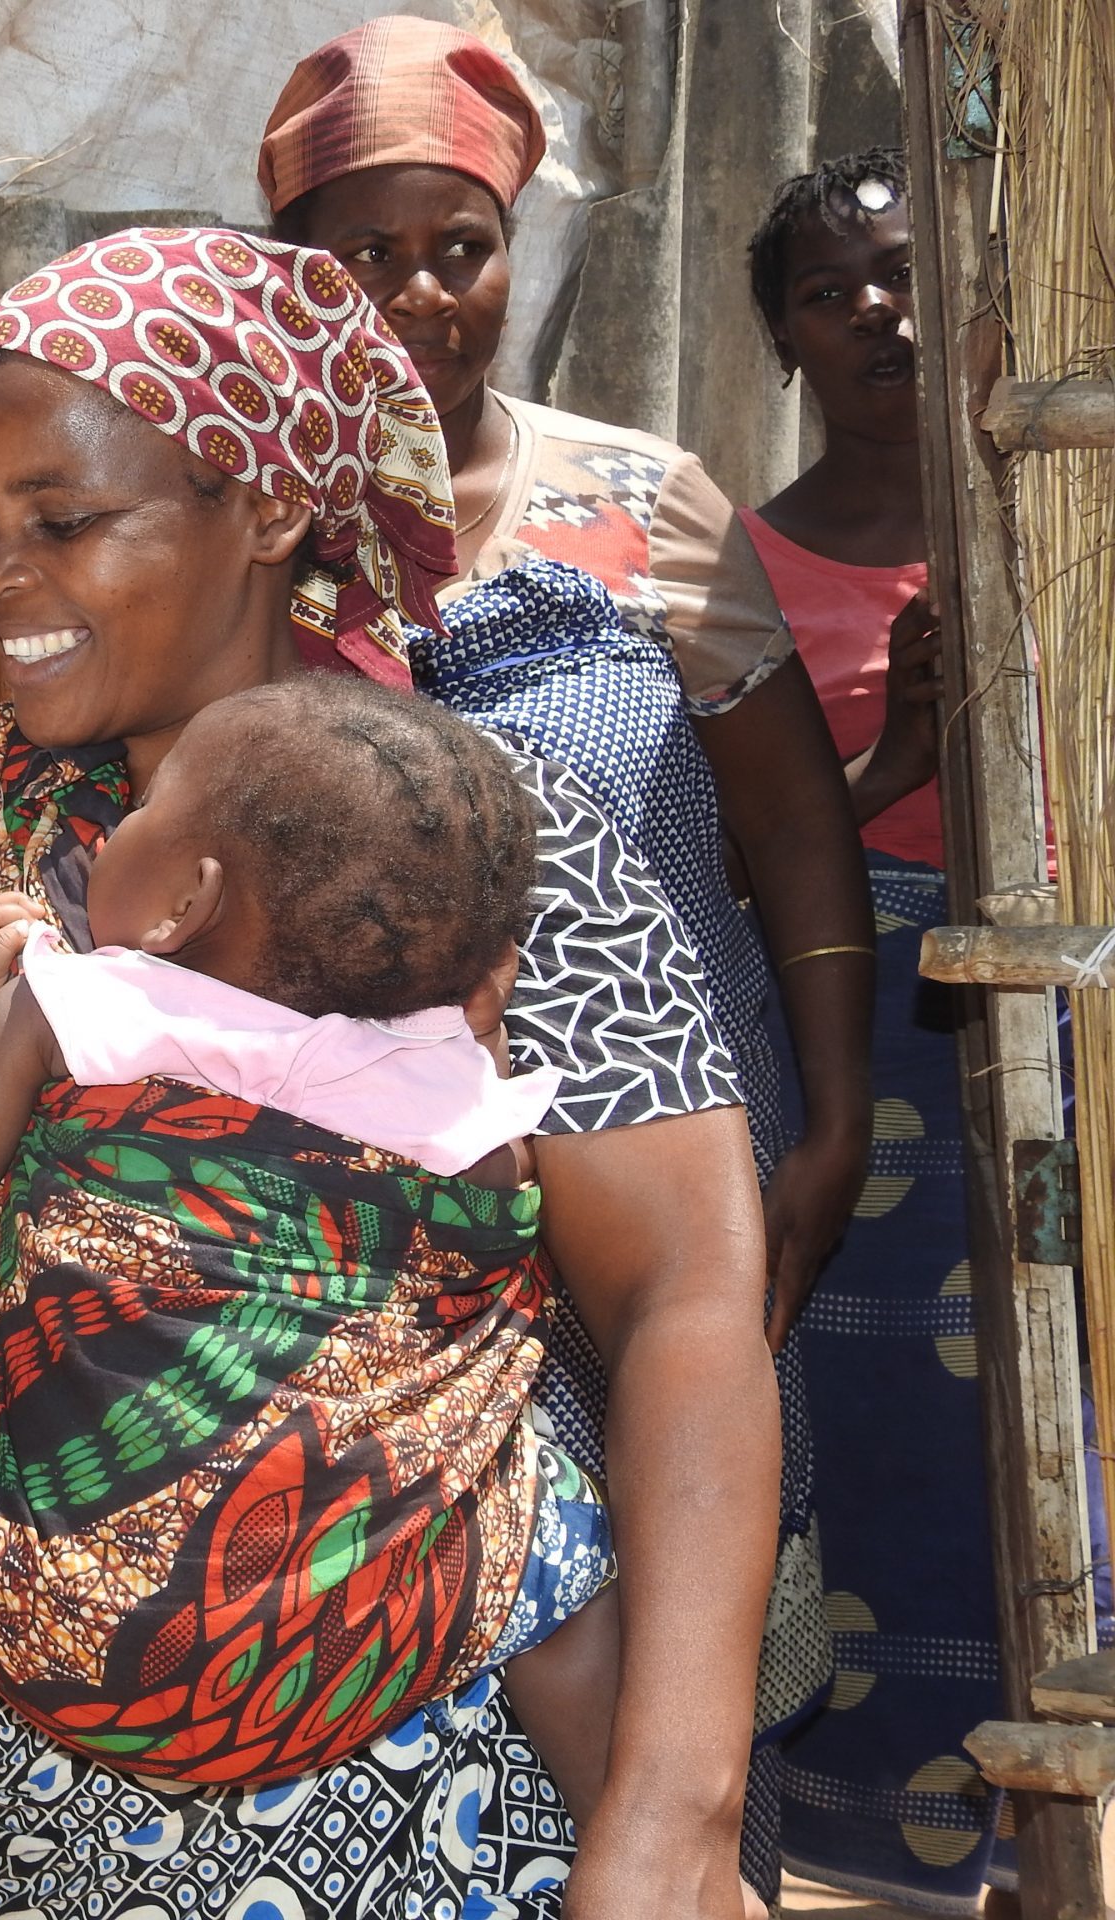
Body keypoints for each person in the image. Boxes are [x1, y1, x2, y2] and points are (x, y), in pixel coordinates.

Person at [0, 225, 778, 1919]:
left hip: (408, 1742)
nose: (3, 581)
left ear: (268, 509)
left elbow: (689, 1296)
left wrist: (673, 1817)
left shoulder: (466, 843)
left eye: (66, 525)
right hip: (55, 1748)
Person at [258, 21, 878, 1891]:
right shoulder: (245, 527)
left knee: (695, 1595)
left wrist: (834, 1118)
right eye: (360, 253)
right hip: (411, 1219)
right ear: (295, 267)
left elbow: (790, 827)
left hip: (676, 1166)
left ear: (514, 250)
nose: (416, 298)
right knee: (465, 1618)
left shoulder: (644, 503)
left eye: (459, 246)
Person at [0, 678, 641, 1827]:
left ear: (182, 902)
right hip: (343, 1643)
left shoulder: (80, 1010)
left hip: (70, 1623)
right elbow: (485, 1260)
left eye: (142, 817)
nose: (115, 833)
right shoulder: (459, 1095)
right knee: (539, 1510)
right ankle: (628, 1819)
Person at [741, 149, 1007, 1910]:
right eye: (831, 292)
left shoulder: (1054, 506)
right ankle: (856, 1845)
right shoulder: (737, 568)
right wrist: (902, 763)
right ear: (785, 341)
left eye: (903, 272)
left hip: (1047, 1040)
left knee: (1048, 1437)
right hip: (854, 1049)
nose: (877, 312)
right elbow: (734, 864)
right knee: (867, 1443)